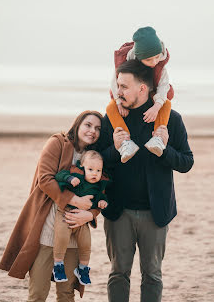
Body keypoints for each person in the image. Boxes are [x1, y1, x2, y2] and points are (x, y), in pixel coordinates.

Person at [98, 59, 194, 302]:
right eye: (118, 85)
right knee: (118, 274)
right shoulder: (110, 119)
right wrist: (114, 149)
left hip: (156, 211)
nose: (117, 91)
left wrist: (165, 151)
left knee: (152, 275)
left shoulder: (171, 119)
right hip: (118, 211)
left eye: (123, 87)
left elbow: (186, 162)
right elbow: (95, 160)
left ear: (143, 88)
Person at [0, 110, 103, 302]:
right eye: (88, 125)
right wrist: (75, 200)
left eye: (97, 128)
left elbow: (100, 193)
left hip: (74, 233)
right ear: (78, 124)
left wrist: (90, 215)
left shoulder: (95, 157)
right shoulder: (58, 142)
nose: (92, 131)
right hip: (46, 231)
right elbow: (45, 180)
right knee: (38, 293)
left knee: (66, 294)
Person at [106, 26, 174, 163]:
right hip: (131, 96)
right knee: (111, 107)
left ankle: (158, 139)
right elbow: (115, 83)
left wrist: (156, 107)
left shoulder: (159, 63)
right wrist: (119, 102)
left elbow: (163, 86)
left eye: (157, 57)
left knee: (166, 103)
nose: (154, 62)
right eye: (149, 60)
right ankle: (126, 143)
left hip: (153, 93)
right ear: (139, 57)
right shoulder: (126, 63)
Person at [53, 150, 109, 285]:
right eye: (90, 169)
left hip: (83, 220)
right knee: (62, 237)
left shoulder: (99, 185)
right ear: (82, 167)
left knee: (86, 243)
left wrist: (102, 202)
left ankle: (83, 269)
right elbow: (59, 175)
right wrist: (69, 179)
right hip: (65, 213)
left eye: (98, 170)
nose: (94, 173)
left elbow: (100, 198)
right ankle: (58, 266)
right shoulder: (75, 173)